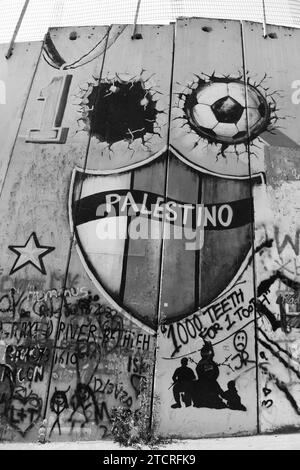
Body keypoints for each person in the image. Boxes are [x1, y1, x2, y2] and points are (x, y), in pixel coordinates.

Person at [193, 341, 226, 409]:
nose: (213, 354)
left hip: (204, 384)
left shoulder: (202, 362)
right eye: (211, 353)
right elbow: (210, 374)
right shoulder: (207, 363)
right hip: (208, 385)